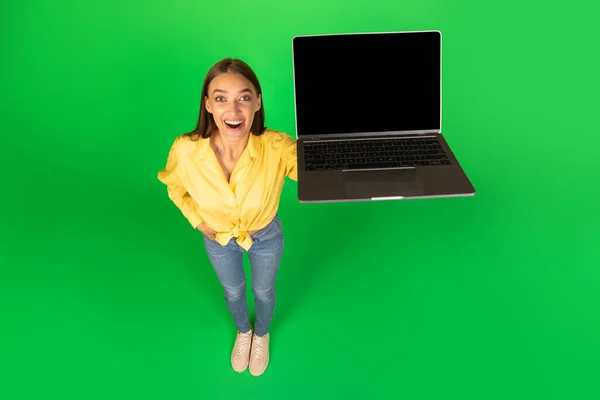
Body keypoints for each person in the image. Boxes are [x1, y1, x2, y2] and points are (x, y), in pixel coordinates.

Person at [157, 58, 297, 376]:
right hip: (217, 238)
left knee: (263, 291)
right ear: (207, 104)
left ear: (258, 102)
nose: (233, 111)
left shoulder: (277, 146)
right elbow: (174, 188)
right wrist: (199, 222)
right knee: (233, 291)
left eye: (244, 97)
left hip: (265, 236)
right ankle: (243, 332)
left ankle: (261, 333)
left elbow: (310, 169)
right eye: (221, 98)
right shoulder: (185, 150)